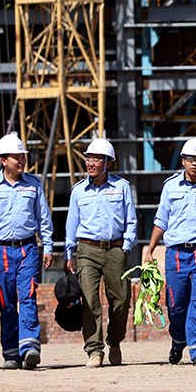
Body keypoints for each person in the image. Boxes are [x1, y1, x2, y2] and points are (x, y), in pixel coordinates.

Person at [0, 133, 53, 370]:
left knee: (28, 297)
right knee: (6, 303)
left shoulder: (34, 184)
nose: (21, 161)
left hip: (27, 248)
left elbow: (43, 218)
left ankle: (30, 348)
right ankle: (11, 353)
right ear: (3, 160)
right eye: (16, 157)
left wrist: (47, 246)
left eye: (23, 157)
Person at [143, 138, 196, 367]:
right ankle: (179, 340)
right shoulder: (170, 186)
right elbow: (161, 220)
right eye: (190, 159)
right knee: (176, 304)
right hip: (176, 253)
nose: (195, 163)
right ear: (183, 160)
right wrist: (150, 249)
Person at [64, 138, 137, 368]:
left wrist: (126, 247)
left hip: (115, 249)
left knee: (121, 301)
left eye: (96, 159)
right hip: (87, 250)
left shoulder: (121, 187)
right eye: (88, 158)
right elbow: (71, 224)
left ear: (108, 163)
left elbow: (131, 221)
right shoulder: (78, 191)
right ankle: (94, 350)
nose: (91, 163)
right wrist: (69, 254)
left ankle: (114, 342)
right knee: (89, 300)